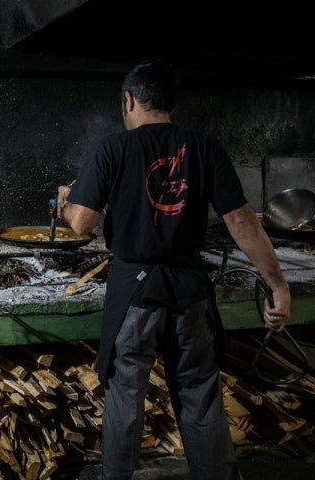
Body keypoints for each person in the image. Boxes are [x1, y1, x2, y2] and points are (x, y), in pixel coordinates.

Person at [57, 59, 291, 480]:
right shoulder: (205, 147)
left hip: (135, 293)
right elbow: (241, 222)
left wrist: (66, 199)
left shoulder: (113, 148)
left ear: (128, 100)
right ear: (172, 104)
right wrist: (278, 285)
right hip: (189, 291)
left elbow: (80, 224)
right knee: (200, 393)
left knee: (126, 393)